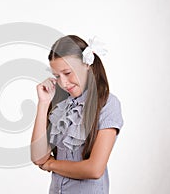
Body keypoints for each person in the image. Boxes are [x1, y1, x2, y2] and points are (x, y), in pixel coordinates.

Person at [31, 35, 123, 194]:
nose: (64, 83)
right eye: (57, 76)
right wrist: (43, 103)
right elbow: (39, 158)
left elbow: (94, 169)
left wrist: (51, 164)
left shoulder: (107, 104)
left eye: (68, 72)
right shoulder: (60, 104)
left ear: (87, 64)